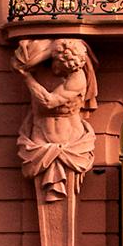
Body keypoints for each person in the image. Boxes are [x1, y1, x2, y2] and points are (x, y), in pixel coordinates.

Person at [14, 39, 98, 201]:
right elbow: (21, 61)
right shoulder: (43, 56)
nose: (61, 73)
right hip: (39, 134)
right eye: (60, 68)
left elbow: (49, 102)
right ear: (55, 57)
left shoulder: (77, 78)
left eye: (67, 71)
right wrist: (49, 50)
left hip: (70, 141)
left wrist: (26, 77)